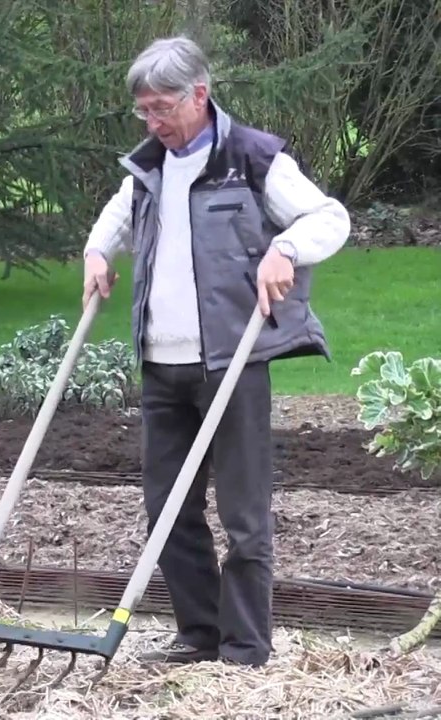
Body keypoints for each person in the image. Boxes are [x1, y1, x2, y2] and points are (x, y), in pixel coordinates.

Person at [81, 36, 350, 668]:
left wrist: (284, 250)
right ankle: (198, 636)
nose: (153, 122)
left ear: (199, 94)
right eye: (143, 111)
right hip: (160, 366)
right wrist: (97, 252)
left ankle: (246, 647)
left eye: (162, 108)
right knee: (168, 511)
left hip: (231, 363)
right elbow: (113, 219)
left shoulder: (252, 158)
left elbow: (329, 217)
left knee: (244, 515)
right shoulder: (147, 166)